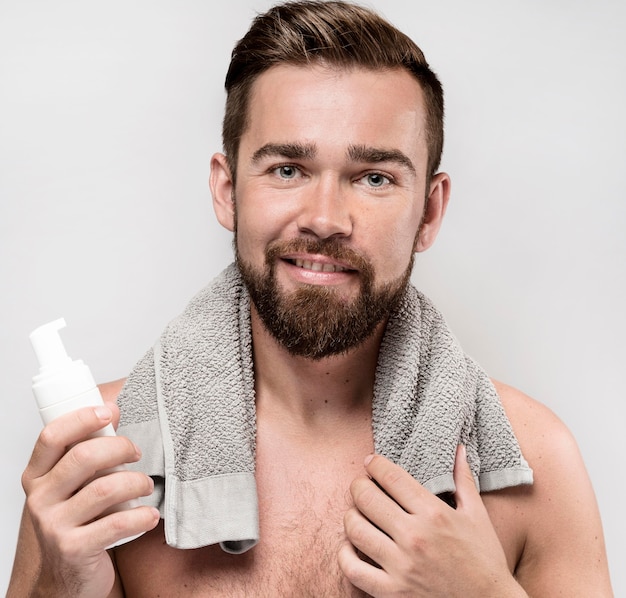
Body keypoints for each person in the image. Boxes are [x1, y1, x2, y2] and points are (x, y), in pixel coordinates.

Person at [8, 1, 613, 596]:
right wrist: (54, 587)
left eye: (374, 177)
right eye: (287, 169)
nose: (325, 220)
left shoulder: (537, 463)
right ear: (226, 191)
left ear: (428, 211)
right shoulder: (106, 462)